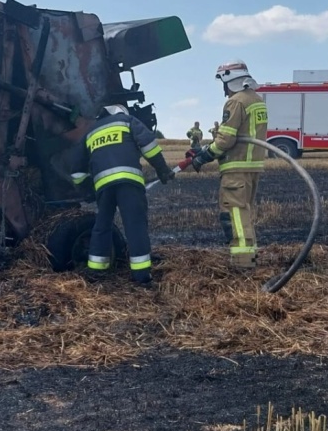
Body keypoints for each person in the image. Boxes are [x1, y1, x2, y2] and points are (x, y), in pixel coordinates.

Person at [70, 104, 175, 284]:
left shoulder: (91, 132)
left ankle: (96, 273)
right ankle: (141, 276)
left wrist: (87, 190)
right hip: (129, 182)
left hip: (103, 186)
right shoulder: (127, 121)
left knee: (102, 226)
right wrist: (163, 170)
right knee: (135, 226)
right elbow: (149, 146)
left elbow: (77, 170)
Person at [188, 62, 268, 270]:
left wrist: (204, 157)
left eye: (223, 84)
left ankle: (242, 264)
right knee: (243, 214)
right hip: (252, 167)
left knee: (234, 216)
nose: (224, 91)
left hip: (236, 168)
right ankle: (249, 259)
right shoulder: (256, 100)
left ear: (229, 79)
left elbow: (226, 140)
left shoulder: (236, 102)